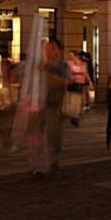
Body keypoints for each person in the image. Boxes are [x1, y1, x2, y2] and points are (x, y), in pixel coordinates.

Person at [29, 36, 71, 178]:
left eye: (53, 47)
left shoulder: (62, 66)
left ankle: (53, 162)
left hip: (54, 105)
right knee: (36, 135)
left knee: (53, 135)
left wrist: (47, 72)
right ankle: (38, 164)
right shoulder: (37, 65)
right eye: (47, 47)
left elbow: (66, 82)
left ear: (58, 50)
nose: (49, 50)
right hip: (38, 104)